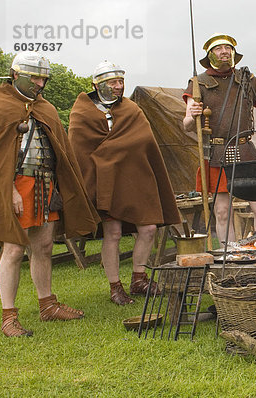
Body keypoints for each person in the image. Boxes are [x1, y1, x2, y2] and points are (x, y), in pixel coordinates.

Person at [0, 51, 100, 337]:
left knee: (43, 247)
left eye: (44, 78)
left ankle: (47, 305)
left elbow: (60, 152)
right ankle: (8, 317)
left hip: (45, 184)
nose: (40, 83)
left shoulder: (46, 108)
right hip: (16, 186)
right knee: (14, 249)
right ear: (16, 74)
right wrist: (8, 191)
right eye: (35, 77)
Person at [68, 61, 181, 305]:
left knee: (149, 228)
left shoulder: (131, 109)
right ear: (96, 85)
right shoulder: (82, 111)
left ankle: (139, 278)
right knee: (114, 232)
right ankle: (115, 286)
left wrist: (117, 150)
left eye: (121, 82)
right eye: (113, 83)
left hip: (134, 177)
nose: (119, 87)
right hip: (103, 181)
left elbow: (144, 141)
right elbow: (79, 149)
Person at [182, 33, 256, 243]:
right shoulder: (198, 83)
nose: (224, 51)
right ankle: (229, 256)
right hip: (217, 153)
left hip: (245, 150)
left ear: (233, 53)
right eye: (218, 48)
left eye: (228, 48)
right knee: (222, 211)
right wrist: (192, 115)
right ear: (210, 54)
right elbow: (187, 125)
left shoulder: (246, 78)